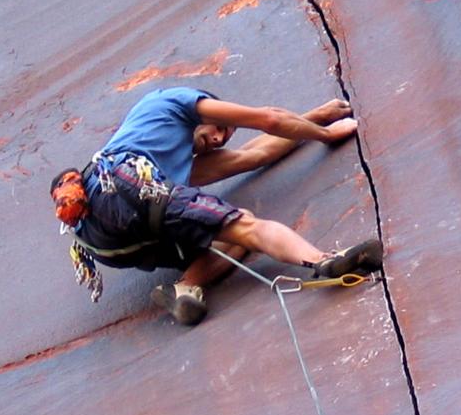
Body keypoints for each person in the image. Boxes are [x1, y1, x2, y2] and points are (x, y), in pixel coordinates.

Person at [50, 86, 383, 326]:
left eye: (226, 138)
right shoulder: (175, 102)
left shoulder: (176, 166)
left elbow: (256, 154)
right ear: (204, 111)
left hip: (107, 244)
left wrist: (313, 120)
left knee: (233, 240)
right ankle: (323, 261)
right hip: (121, 183)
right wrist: (325, 133)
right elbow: (267, 120)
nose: (221, 138)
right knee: (246, 226)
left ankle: (183, 289)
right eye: (220, 127)